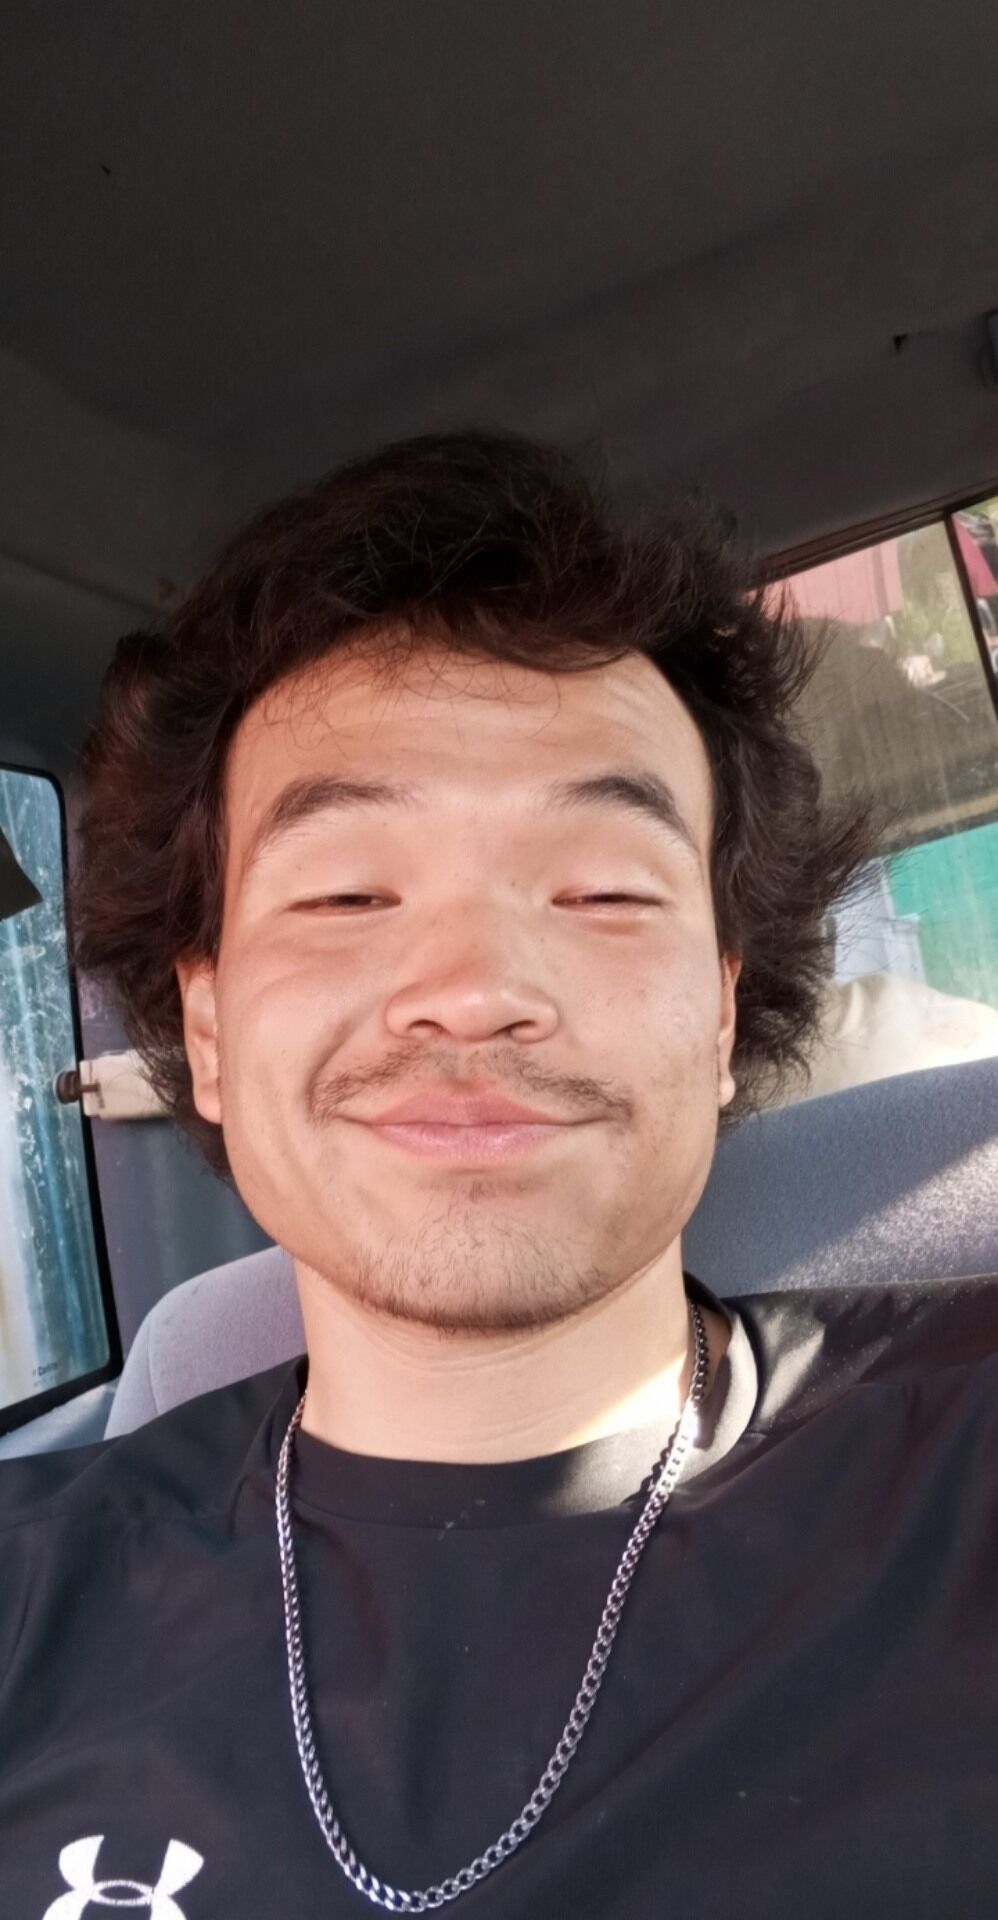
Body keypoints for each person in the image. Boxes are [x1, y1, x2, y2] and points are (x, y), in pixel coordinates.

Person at [2, 430, 996, 1918]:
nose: (471, 992)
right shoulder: (30, 1595)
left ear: (722, 1014)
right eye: (346, 893)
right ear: (205, 1032)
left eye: (600, 890)